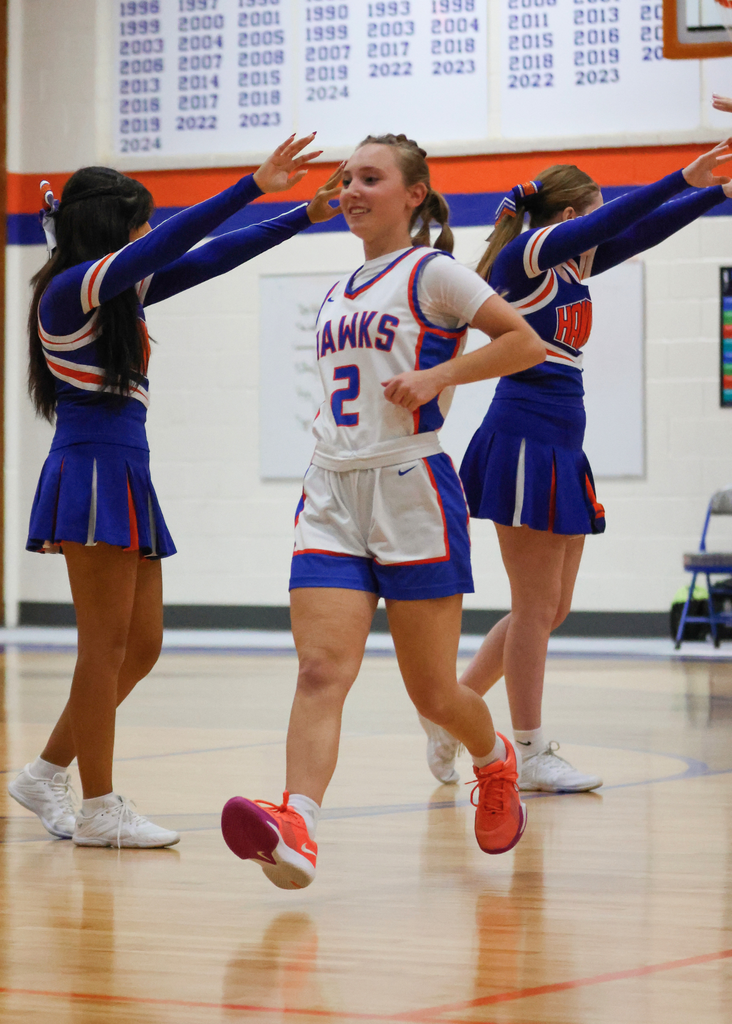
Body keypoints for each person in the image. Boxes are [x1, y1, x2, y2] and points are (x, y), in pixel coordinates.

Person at [220, 133, 546, 890]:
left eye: (370, 178)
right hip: (331, 489)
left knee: (433, 693)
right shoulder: (340, 288)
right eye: (346, 179)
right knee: (319, 669)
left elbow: (525, 344)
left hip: (412, 487)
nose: (351, 191)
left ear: (414, 194)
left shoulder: (435, 272)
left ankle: (494, 758)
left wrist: (442, 375)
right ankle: (297, 825)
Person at [8, 135, 343, 848]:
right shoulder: (72, 289)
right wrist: (253, 185)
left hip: (127, 471)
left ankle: (44, 773)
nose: (148, 233)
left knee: (142, 645)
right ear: (111, 227)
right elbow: (175, 243)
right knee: (102, 649)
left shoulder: (117, 293)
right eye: (140, 222)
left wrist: (303, 216)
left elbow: (211, 257)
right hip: (91, 472)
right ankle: (99, 807)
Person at [417, 140, 732, 791]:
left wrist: (715, 193)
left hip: (562, 441)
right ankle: (530, 754)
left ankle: (450, 713)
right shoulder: (528, 253)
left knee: (550, 608)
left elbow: (641, 230)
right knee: (534, 607)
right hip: (524, 437)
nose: (601, 223)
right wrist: (682, 174)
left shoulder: (570, 264)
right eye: (592, 213)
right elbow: (617, 220)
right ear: (566, 217)